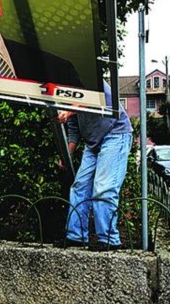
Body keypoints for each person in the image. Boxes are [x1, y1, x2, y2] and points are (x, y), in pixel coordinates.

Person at [56, 81, 133, 251]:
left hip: (115, 134)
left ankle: (109, 240)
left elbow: (92, 100)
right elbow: (73, 129)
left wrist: (67, 111)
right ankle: (76, 236)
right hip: (92, 143)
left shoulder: (92, 80)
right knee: (80, 187)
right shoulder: (65, 91)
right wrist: (67, 154)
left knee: (104, 187)